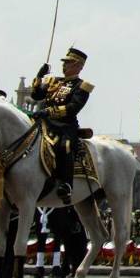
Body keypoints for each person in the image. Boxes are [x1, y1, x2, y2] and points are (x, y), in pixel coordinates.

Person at [30, 46, 94, 202]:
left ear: (79, 66)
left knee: (65, 147)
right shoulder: (54, 81)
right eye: (64, 62)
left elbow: (73, 108)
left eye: (69, 63)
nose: (64, 66)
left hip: (64, 126)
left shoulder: (82, 86)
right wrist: (39, 77)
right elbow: (36, 95)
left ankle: (66, 185)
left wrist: (49, 112)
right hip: (44, 124)